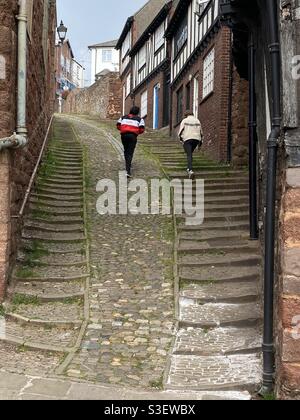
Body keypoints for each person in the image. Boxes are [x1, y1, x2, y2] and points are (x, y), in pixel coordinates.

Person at [117, 107, 145, 178]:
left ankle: (127, 164)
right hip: (132, 136)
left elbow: (118, 125)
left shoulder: (123, 117)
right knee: (130, 152)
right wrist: (136, 132)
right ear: (137, 112)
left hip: (124, 136)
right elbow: (142, 129)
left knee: (126, 150)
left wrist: (124, 129)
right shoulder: (140, 119)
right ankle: (128, 171)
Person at [178, 110, 203, 179]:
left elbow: (180, 131)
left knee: (188, 154)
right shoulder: (197, 121)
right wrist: (200, 142)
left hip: (187, 139)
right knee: (190, 153)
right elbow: (201, 132)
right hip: (196, 139)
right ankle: (189, 167)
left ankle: (190, 170)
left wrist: (181, 139)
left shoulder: (184, 120)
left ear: (186, 115)